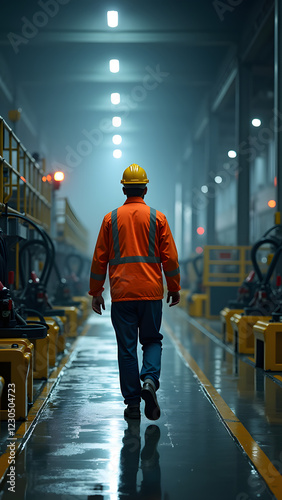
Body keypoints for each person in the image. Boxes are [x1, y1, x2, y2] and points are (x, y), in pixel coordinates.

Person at [89, 164, 180, 421]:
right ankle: (149, 380)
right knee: (151, 340)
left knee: (126, 349)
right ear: (146, 189)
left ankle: (132, 405)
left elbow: (99, 260)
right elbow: (170, 258)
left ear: (123, 188)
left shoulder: (111, 219)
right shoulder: (157, 218)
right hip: (151, 294)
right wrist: (174, 287)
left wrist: (96, 291)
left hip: (122, 295)